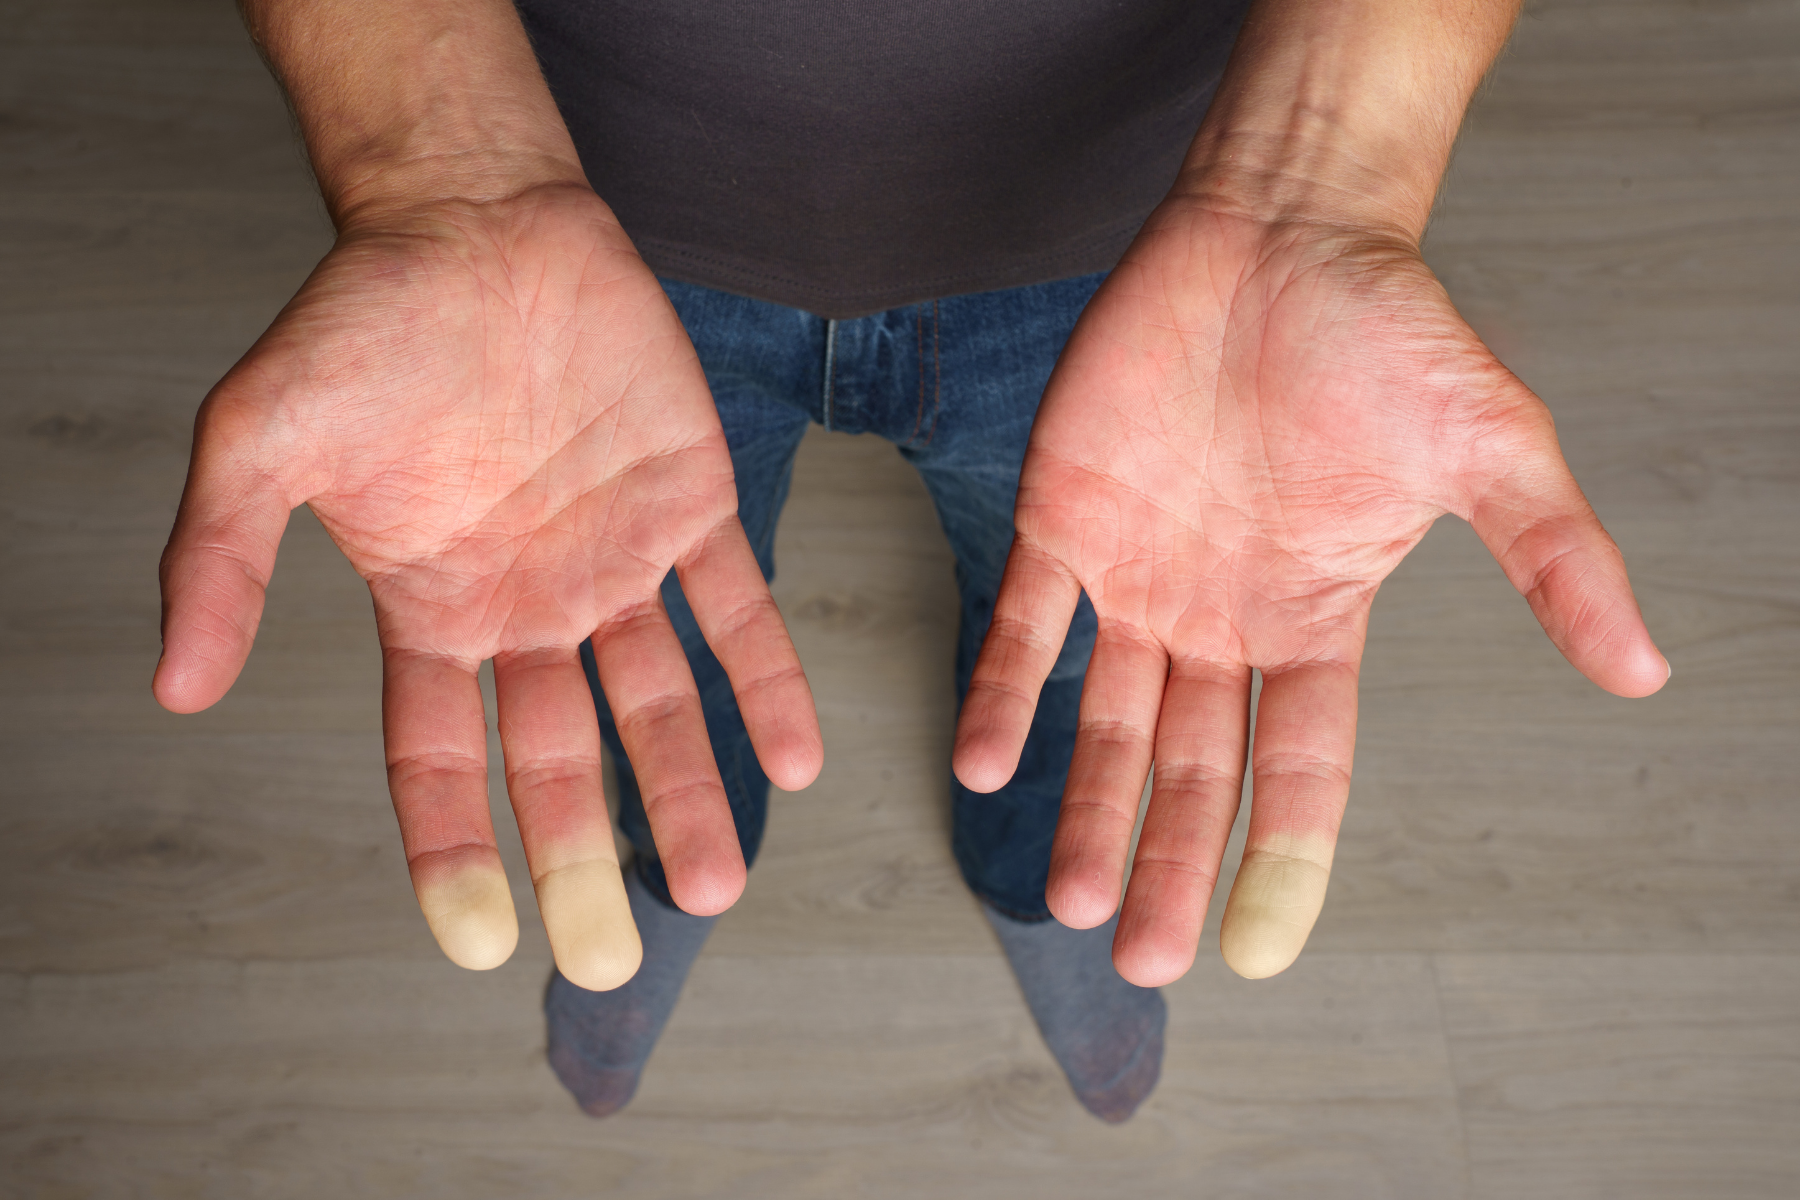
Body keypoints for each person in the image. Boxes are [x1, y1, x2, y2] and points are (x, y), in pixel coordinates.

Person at [152, 0, 1669, 1123]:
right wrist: (440, 164)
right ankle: (673, 871)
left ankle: (1035, 890)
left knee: (1098, 643)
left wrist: (1317, 176)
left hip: (1148, 236)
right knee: (633, 640)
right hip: (586, 218)